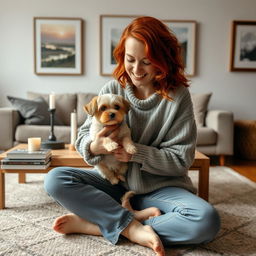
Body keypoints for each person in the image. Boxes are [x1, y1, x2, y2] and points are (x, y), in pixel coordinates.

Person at [44, 16, 220, 256]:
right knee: (55, 178)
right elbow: (83, 137)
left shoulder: (178, 97)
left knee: (206, 221)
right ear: (122, 56)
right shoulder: (112, 89)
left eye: (146, 62)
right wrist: (94, 146)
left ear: (162, 60)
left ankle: (101, 224)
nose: (136, 70)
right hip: (114, 182)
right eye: (130, 60)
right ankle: (130, 224)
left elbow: (181, 160)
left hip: (161, 189)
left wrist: (135, 154)